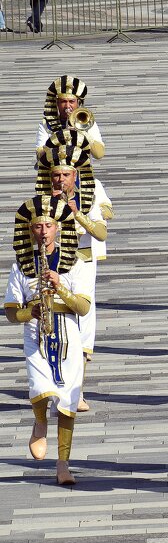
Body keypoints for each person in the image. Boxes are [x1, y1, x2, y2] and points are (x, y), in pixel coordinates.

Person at [4, 195, 94, 486]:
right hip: (35, 333)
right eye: (38, 226)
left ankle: (63, 463)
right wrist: (30, 311)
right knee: (40, 388)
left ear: (58, 228)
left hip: (68, 333)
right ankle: (40, 420)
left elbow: (83, 307)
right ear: (30, 230)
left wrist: (61, 289)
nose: (43, 231)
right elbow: (9, 312)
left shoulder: (74, 263)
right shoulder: (21, 266)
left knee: (68, 399)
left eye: (48, 225)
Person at [35, 143, 111, 413]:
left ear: (76, 175)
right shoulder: (42, 197)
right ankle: (55, 384)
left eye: (65, 175)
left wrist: (75, 210)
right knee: (51, 322)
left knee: (83, 324)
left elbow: (102, 233)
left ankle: (77, 389)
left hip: (83, 261)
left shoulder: (92, 189)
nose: (60, 180)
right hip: (51, 263)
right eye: (56, 175)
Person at [36, 75, 106, 161]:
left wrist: (82, 133)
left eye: (72, 101)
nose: (67, 106)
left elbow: (99, 154)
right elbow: (40, 156)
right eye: (63, 102)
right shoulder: (46, 125)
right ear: (57, 103)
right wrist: (59, 137)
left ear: (78, 103)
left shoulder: (88, 123)